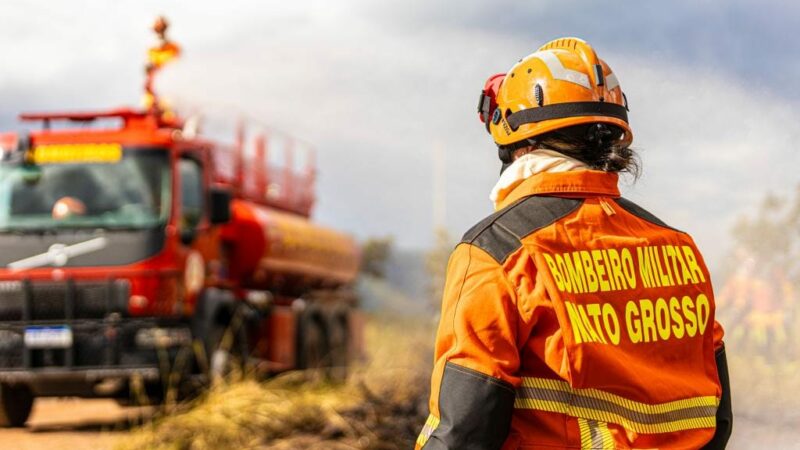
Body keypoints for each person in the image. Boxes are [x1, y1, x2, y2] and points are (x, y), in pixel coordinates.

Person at [416, 37, 732, 450]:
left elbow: (465, 432)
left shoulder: (497, 252)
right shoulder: (679, 249)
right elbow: (716, 416)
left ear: (518, 143)